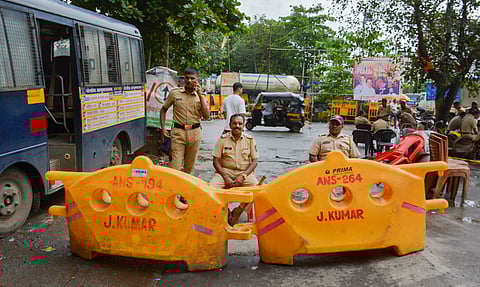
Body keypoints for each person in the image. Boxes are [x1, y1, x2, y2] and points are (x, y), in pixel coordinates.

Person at [210, 114, 258, 225]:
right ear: (230, 125)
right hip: (225, 172)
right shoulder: (222, 139)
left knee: (257, 190)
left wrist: (244, 176)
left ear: (243, 125)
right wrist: (225, 176)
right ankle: (225, 212)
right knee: (210, 189)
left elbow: (254, 162)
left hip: (244, 172)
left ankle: (238, 210)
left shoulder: (250, 140)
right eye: (235, 123)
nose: (237, 126)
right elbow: (215, 161)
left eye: (240, 123)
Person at [159, 67, 210, 174]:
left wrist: (200, 95)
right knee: (175, 168)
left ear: (198, 79)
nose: (189, 81)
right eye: (187, 78)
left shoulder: (202, 96)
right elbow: (163, 109)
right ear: (183, 79)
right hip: (178, 133)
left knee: (189, 169)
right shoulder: (175, 93)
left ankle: (185, 190)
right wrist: (163, 128)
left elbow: (206, 116)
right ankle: (173, 190)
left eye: (192, 78)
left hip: (195, 133)